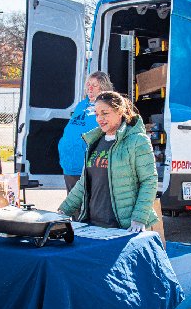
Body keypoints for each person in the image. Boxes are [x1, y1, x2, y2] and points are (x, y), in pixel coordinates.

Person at [59, 92, 158, 232]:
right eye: (97, 114)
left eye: (104, 113)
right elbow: (84, 183)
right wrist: (63, 211)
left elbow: (149, 181)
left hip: (124, 227)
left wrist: (139, 218)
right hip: (92, 225)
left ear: (119, 112)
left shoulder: (137, 141)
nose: (99, 119)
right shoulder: (94, 141)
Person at [58, 71, 113, 193]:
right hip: (70, 162)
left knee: (87, 204)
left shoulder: (107, 107)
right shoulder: (82, 105)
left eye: (94, 85)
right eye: (88, 84)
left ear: (103, 87)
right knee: (72, 205)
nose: (90, 87)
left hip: (87, 165)